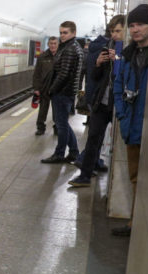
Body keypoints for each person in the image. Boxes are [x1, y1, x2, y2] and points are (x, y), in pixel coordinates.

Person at [110, 4, 148, 237]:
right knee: (135, 176)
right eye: (133, 25)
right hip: (132, 127)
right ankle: (135, 224)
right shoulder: (127, 56)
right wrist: (122, 115)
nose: (135, 30)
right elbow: (118, 87)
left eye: (141, 25)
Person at [69, 14, 125, 187]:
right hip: (103, 101)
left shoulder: (128, 50)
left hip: (120, 103)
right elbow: (95, 76)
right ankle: (85, 175)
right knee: (93, 137)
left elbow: (123, 75)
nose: (114, 35)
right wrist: (99, 64)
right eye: (112, 31)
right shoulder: (107, 46)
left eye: (118, 31)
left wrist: (119, 59)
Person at [41, 21, 85, 164]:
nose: (62, 35)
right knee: (63, 123)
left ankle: (59, 154)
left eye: (65, 32)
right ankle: (73, 152)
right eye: (60, 32)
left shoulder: (69, 49)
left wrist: (51, 89)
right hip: (67, 92)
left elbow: (64, 74)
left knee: (61, 124)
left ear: (73, 33)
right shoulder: (73, 46)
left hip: (63, 92)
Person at [31, 36, 58, 135]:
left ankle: (57, 127)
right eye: (51, 43)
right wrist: (36, 88)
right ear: (48, 44)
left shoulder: (61, 56)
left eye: (55, 43)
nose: (53, 45)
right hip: (44, 87)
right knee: (43, 109)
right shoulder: (42, 57)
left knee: (57, 110)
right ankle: (40, 127)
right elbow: (37, 73)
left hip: (56, 88)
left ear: (58, 44)